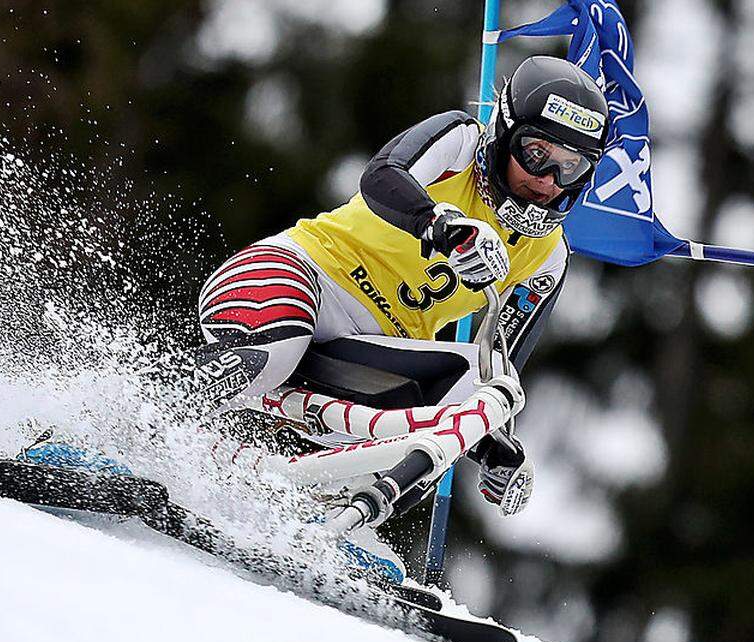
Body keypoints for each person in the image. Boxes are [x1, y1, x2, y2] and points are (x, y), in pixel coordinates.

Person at [192, 56, 609, 519]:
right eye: (536, 155)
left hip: (365, 352)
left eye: (569, 169)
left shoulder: (548, 256)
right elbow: (382, 176)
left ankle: (335, 519)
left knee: (483, 379)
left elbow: (499, 366)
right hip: (300, 273)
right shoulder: (462, 143)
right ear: (504, 135)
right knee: (274, 353)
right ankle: (153, 422)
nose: (547, 182)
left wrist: (496, 449)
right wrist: (442, 225)